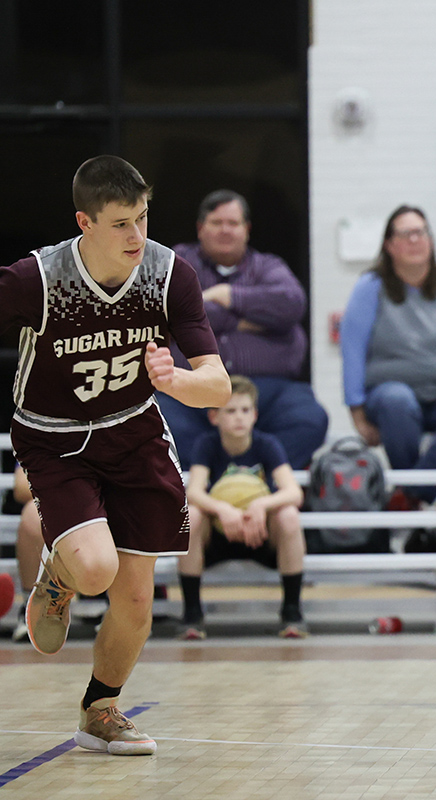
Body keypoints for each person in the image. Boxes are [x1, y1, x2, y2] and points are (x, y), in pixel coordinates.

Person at [3, 155, 230, 754]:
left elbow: (219, 385)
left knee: (135, 595)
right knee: (96, 568)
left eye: (143, 218)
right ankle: (59, 574)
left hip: (134, 431)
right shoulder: (38, 279)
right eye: (122, 223)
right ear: (85, 222)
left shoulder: (169, 275)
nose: (138, 235)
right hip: (54, 437)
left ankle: (100, 711)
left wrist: (175, 380)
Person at [159, 190, 329, 470]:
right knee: (160, 421)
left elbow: (292, 303)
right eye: (216, 223)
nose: (225, 230)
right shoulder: (177, 263)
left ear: (247, 230)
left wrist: (229, 295)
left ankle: (259, 482)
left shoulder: (268, 266)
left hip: (269, 390)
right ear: (201, 228)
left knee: (309, 418)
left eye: (233, 223)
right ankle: (206, 485)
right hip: (192, 387)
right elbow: (167, 308)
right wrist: (243, 320)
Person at [341, 206, 436, 503]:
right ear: (389, 245)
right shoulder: (370, 287)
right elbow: (352, 348)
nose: (415, 240)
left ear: (430, 239)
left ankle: (410, 497)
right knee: (397, 401)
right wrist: (357, 414)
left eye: (421, 232)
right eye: (405, 234)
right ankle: (413, 493)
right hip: (390, 392)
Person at [177, 375, 308, 640]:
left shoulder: (266, 445)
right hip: (219, 536)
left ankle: (292, 612)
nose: (239, 417)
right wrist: (223, 509)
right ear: (215, 417)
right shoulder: (208, 444)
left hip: (259, 535)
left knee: (289, 516)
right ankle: (192, 615)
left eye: (245, 410)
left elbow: (294, 492)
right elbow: (193, 492)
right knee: (193, 515)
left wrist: (261, 503)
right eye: (231, 411)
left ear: (255, 415)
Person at [9, 465, 44, 643]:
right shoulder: (47, 437)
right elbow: (22, 487)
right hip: (64, 502)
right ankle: (33, 612)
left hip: (104, 506)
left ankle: (120, 610)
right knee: (33, 512)